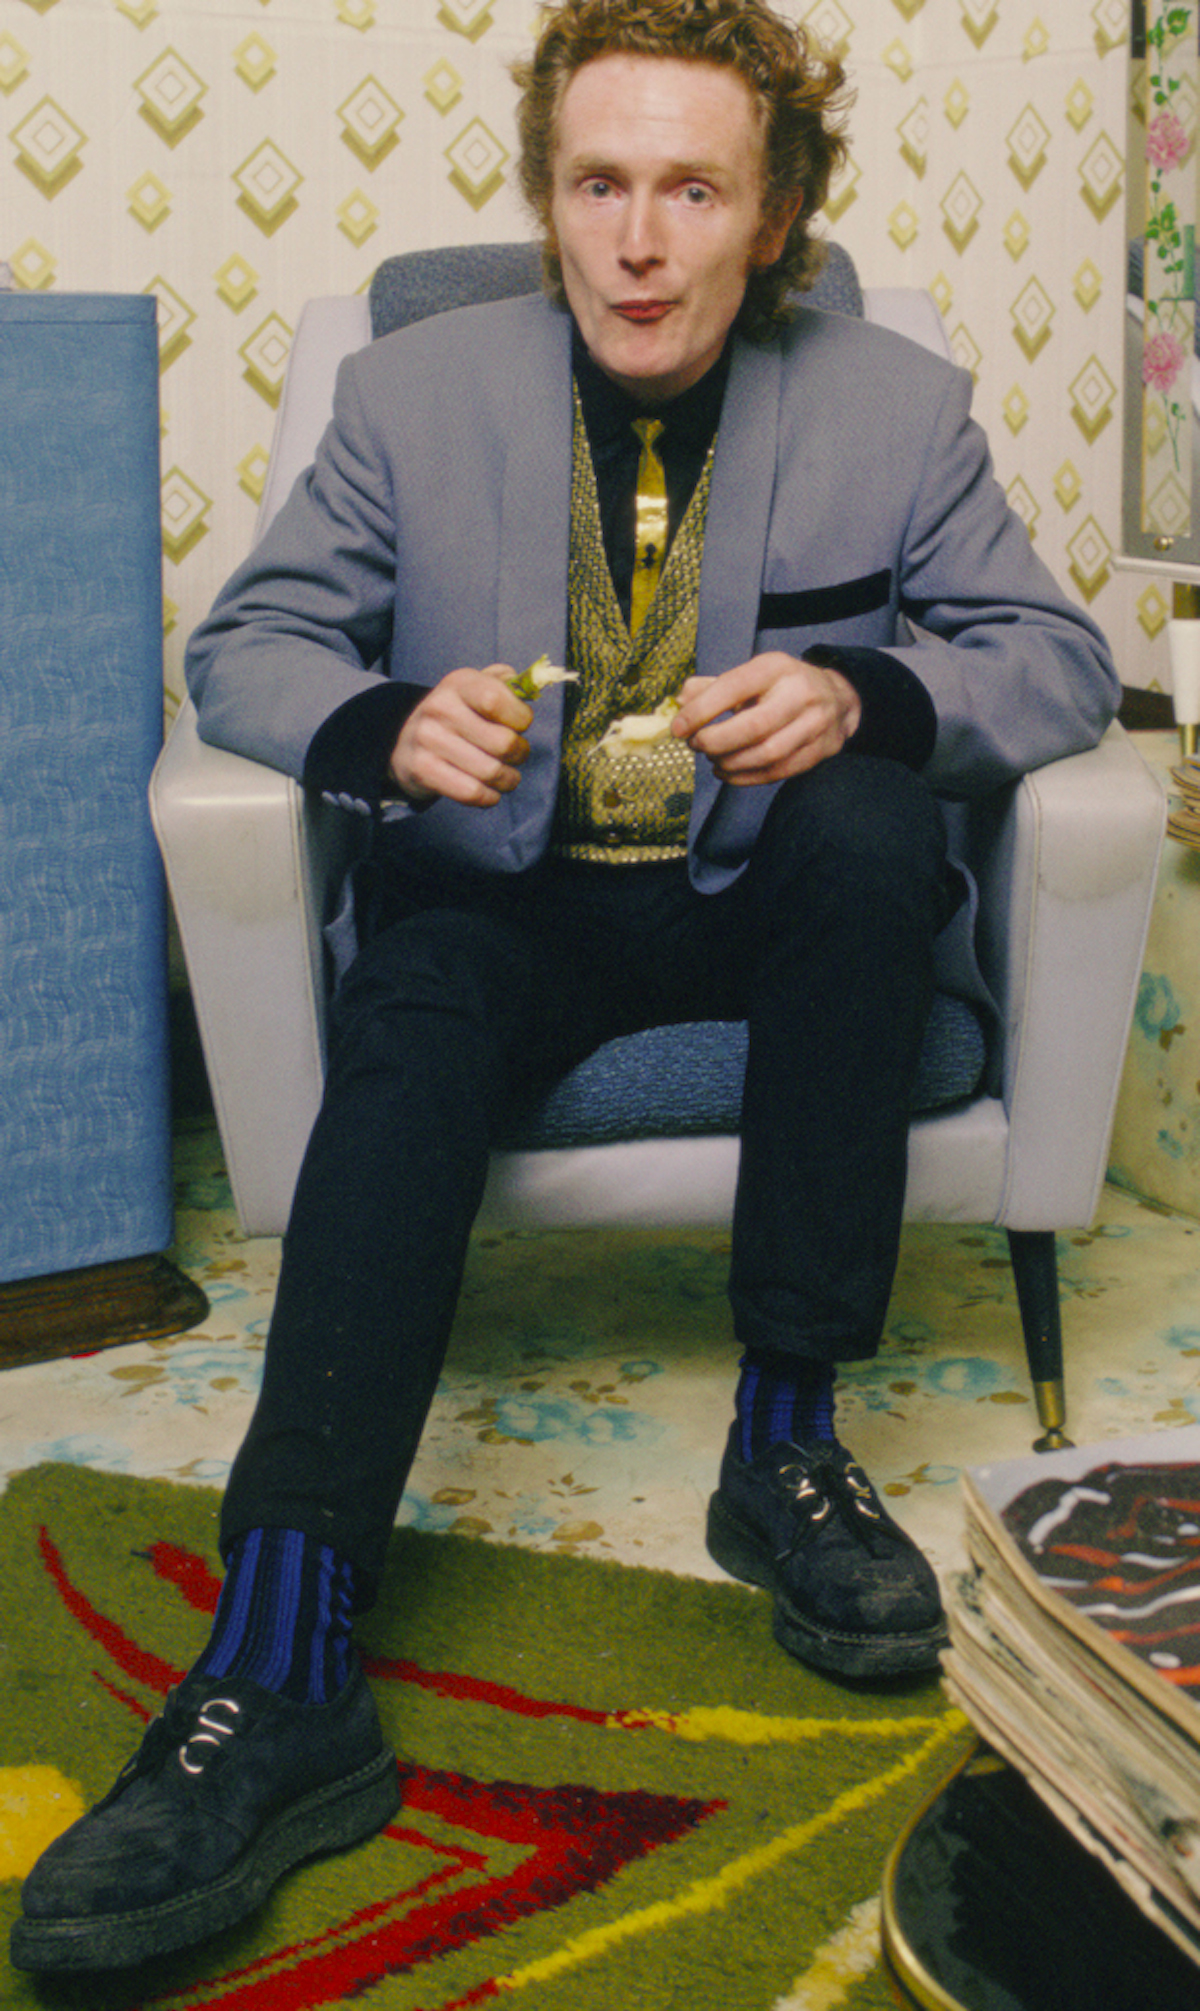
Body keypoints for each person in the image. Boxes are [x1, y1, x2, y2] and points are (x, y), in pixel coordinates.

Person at [12, 0, 1120, 1975]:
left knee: (873, 834)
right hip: (504, 897)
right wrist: (376, 721)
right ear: (547, 200)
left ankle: (784, 1442)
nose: (638, 238)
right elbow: (250, 641)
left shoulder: (894, 403)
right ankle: (283, 1655)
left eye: (693, 189)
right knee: (416, 990)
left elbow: (1053, 660)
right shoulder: (411, 396)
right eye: (599, 183)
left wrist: (868, 694)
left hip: (762, 883)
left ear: (770, 217)